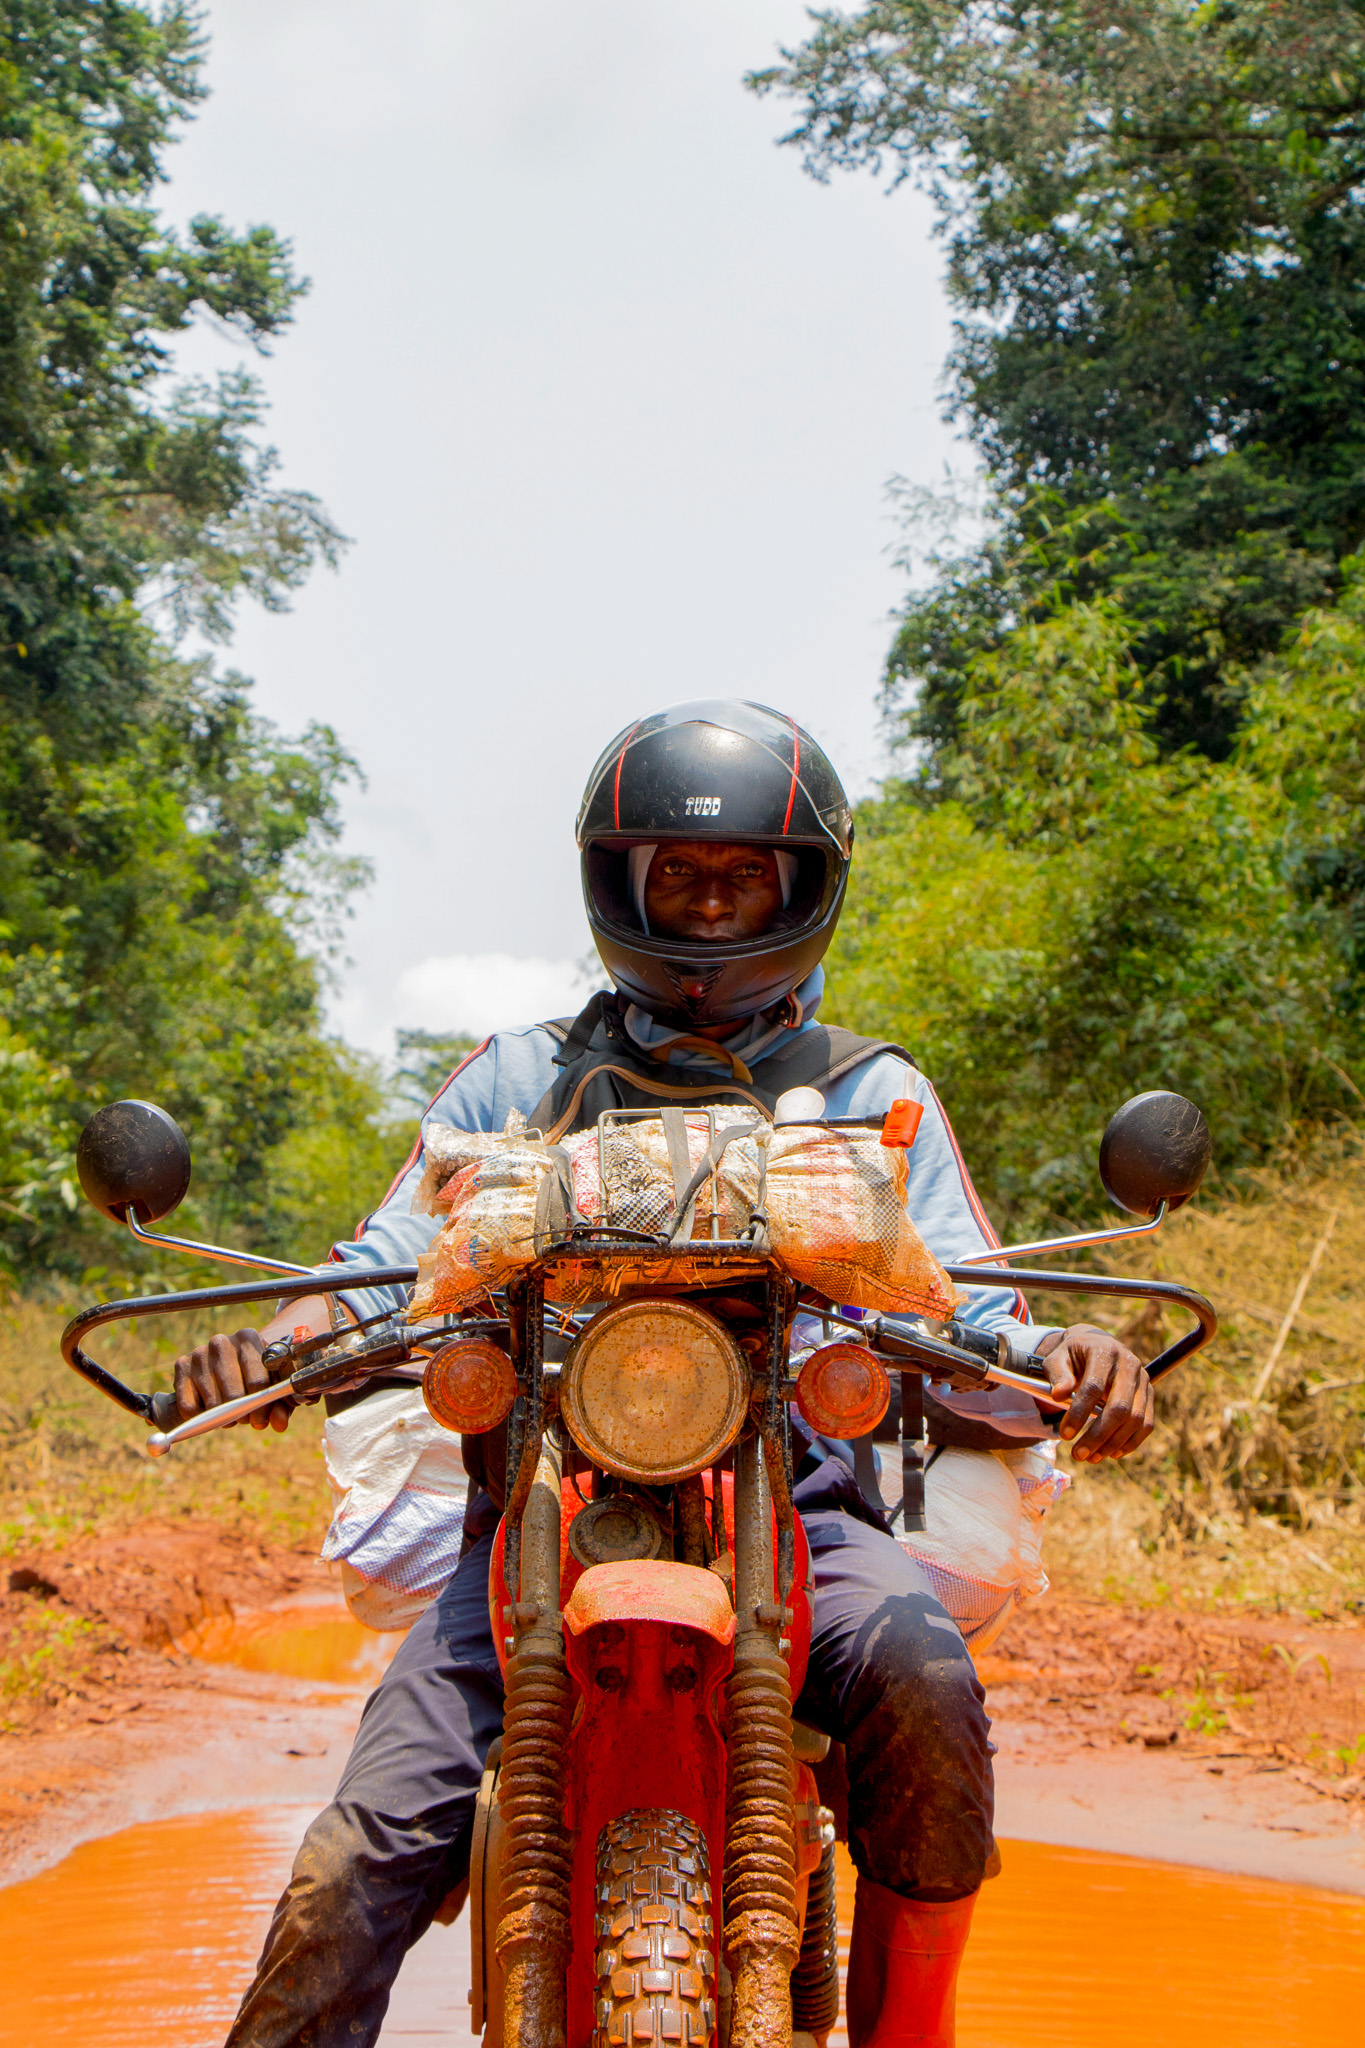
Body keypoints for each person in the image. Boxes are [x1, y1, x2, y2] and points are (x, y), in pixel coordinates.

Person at [176, 702, 1151, 2048]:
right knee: (357, 1850)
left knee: (926, 1681)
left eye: (738, 878)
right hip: (535, 1500)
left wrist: (1059, 1361)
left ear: (797, 886)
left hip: (797, 1505)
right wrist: (277, 1347)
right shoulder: (517, 1080)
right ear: (620, 885)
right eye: (678, 879)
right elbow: (393, 1246)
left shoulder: (874, 1093)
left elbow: (972, 1300)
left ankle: (911, 2033)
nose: (705, 909)